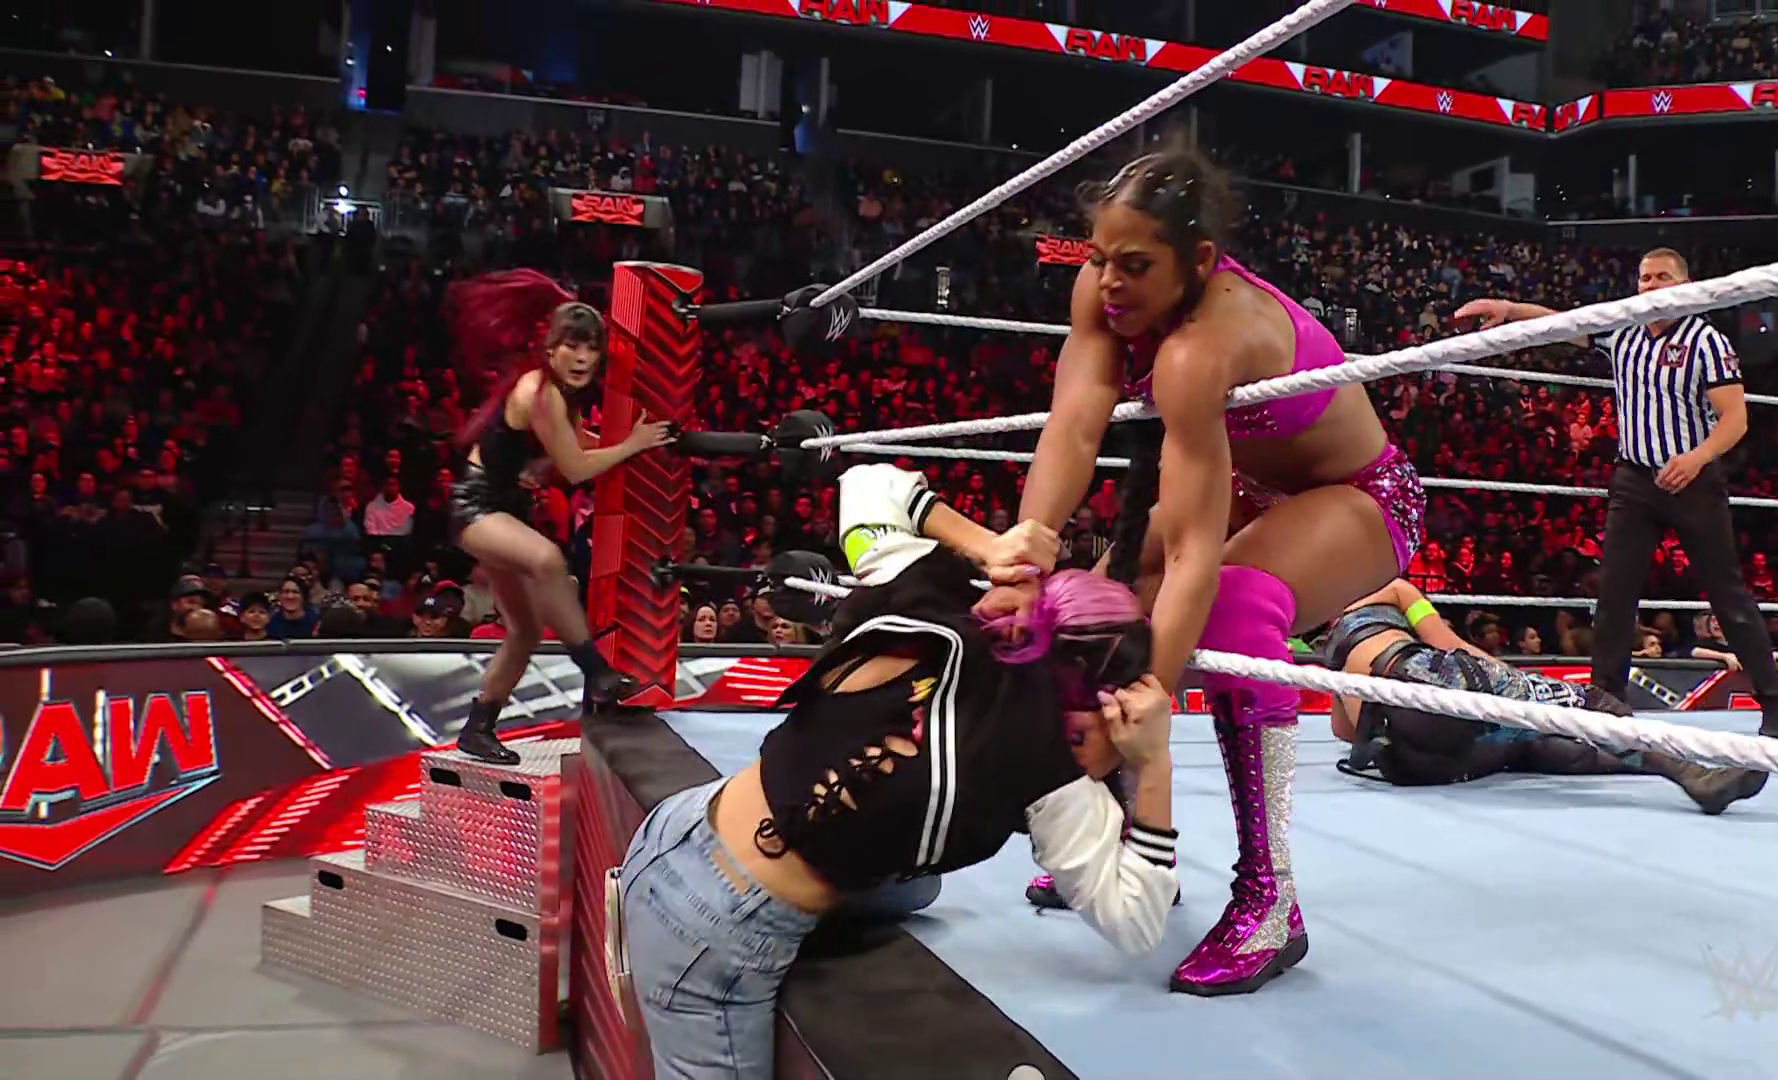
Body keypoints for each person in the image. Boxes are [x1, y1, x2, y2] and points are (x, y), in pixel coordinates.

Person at [978, 145, 1424, 996]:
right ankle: (1133, 832)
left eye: (1136, 265)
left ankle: (1271, 898)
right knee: (1100, 600)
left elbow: (1192, 553)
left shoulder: (1200, 346)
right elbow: (1074, 426)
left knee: (1232, 608)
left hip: (1361, 494)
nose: (1111, 281)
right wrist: (1031, 542)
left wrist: (1151, 691)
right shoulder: (1103, 294)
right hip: (1252, 487)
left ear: (1201, 261)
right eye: (1100, 257)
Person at [610, 464, 1179, 1079]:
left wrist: (989, 546)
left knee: (918, 886)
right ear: (1092, 709)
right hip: (716, 922)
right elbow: (1137, 921)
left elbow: (865, 482)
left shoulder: (931, 590)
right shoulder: (1048, 767)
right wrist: (1155, 765)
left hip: (686, 820)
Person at [1454, 248, 1778, 743]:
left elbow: (1735, 418)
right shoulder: (1623, 331)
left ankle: (1775, 703)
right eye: (1644, 278)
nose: (1650, 286)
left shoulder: (1705, 341)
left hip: (1693, 479)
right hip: (1633, 480)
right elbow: (1562, 323)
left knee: (1727, 594)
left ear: (1685, 285)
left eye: (1662, 277)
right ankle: (1607, 705)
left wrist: (1696, 458)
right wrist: (1509, 310)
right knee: (1614, 594)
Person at [446, 270, 675, 765]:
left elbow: (578, 446)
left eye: (592, 348)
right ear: (551, 349)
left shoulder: (558, 395)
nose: (583, 357)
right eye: (573, 345)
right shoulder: (539, 391)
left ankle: (478, 728)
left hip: (506, 505)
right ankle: (596, 670)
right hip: (477, 505)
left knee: (526, 631)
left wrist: (631, 441)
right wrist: (632, 445)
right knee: (548, 560)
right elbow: (574, 469)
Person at [1320, 580, 1769, 815]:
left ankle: (1686, 776)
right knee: (1583, 702)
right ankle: (1688, 772)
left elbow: (1344, 730)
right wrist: (1522, 684)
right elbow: (1450, 648)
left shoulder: (1331, 649)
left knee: (1527, 742)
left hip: (1407, 764)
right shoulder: (1393, 589)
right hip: (1421, 683)